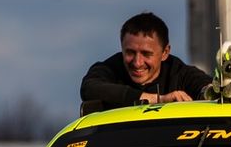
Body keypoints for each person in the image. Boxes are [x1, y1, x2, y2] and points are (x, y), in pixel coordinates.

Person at [79, 12, 212, 113]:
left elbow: (208, 89)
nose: (137, 63)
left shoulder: (182, 75)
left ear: (165, 52)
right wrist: (158, 99)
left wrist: (211, 91)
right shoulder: (109, 69)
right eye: (130, 52)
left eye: (146, 54)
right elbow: (89, 88)